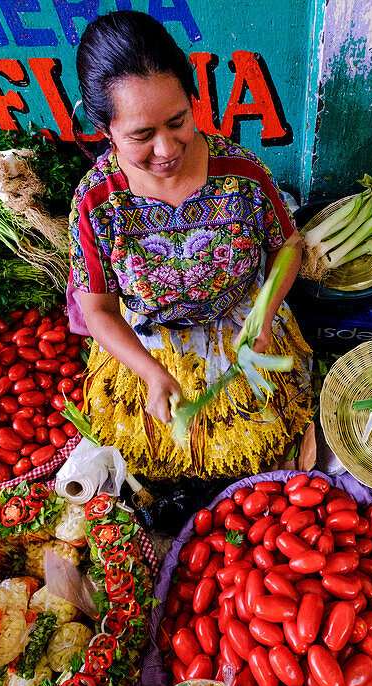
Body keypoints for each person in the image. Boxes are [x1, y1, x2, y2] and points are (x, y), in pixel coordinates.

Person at [68, 10, 312, 481]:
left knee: (259, 449)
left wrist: (263, 312)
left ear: (191, 98)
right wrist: (150, 373)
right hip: (148, 347)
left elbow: (288, 247)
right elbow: (96, 310)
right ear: (105, 129)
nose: (166, 149)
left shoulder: (240, 171)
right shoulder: (97, 202)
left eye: (178, 120)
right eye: (141, 136)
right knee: (158, 458)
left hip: (242, 329)